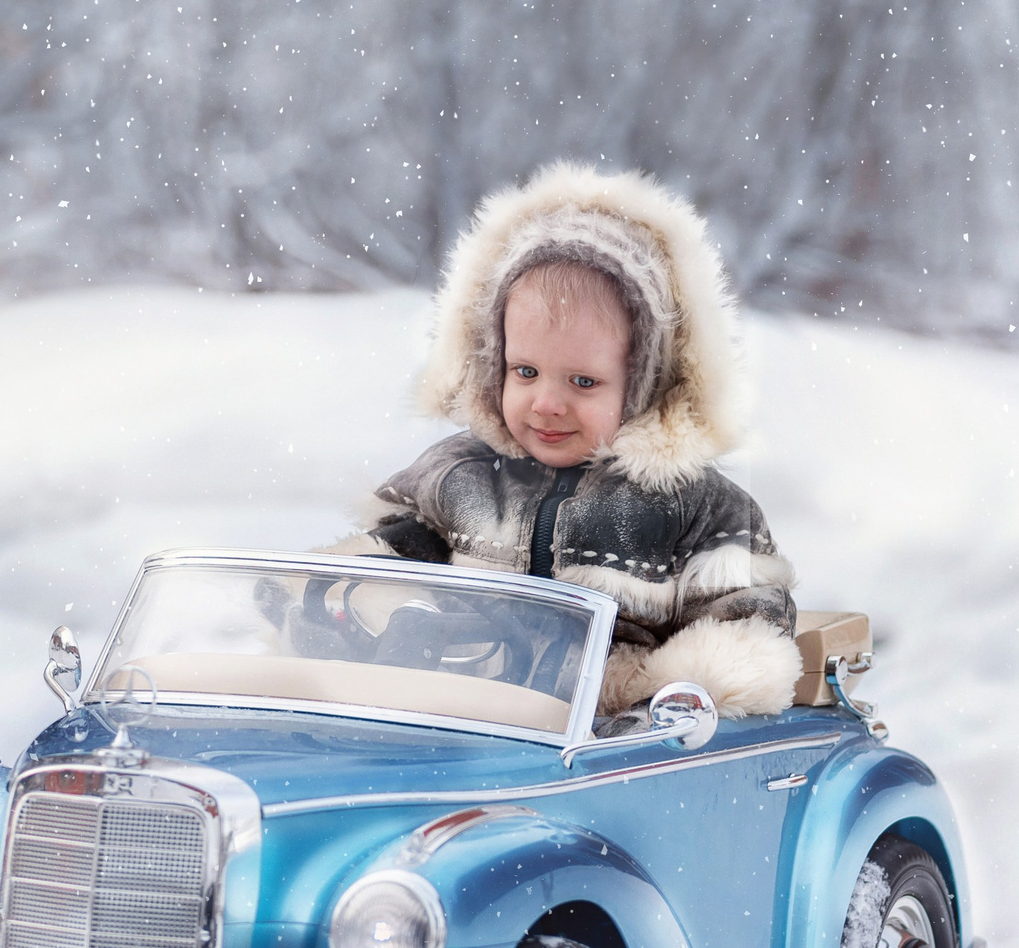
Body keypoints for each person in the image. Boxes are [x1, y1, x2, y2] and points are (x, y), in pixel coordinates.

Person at [333, 162, 800, 717]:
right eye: (525, 372)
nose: (547, 403)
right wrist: (351, 605)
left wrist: (675, 692)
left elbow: (746, 615)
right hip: (465, 717)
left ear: (641, 383)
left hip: (609, 740)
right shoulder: (460, 473)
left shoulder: (693, 504)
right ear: (494, 364)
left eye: (583, 382)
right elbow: (389, 554)